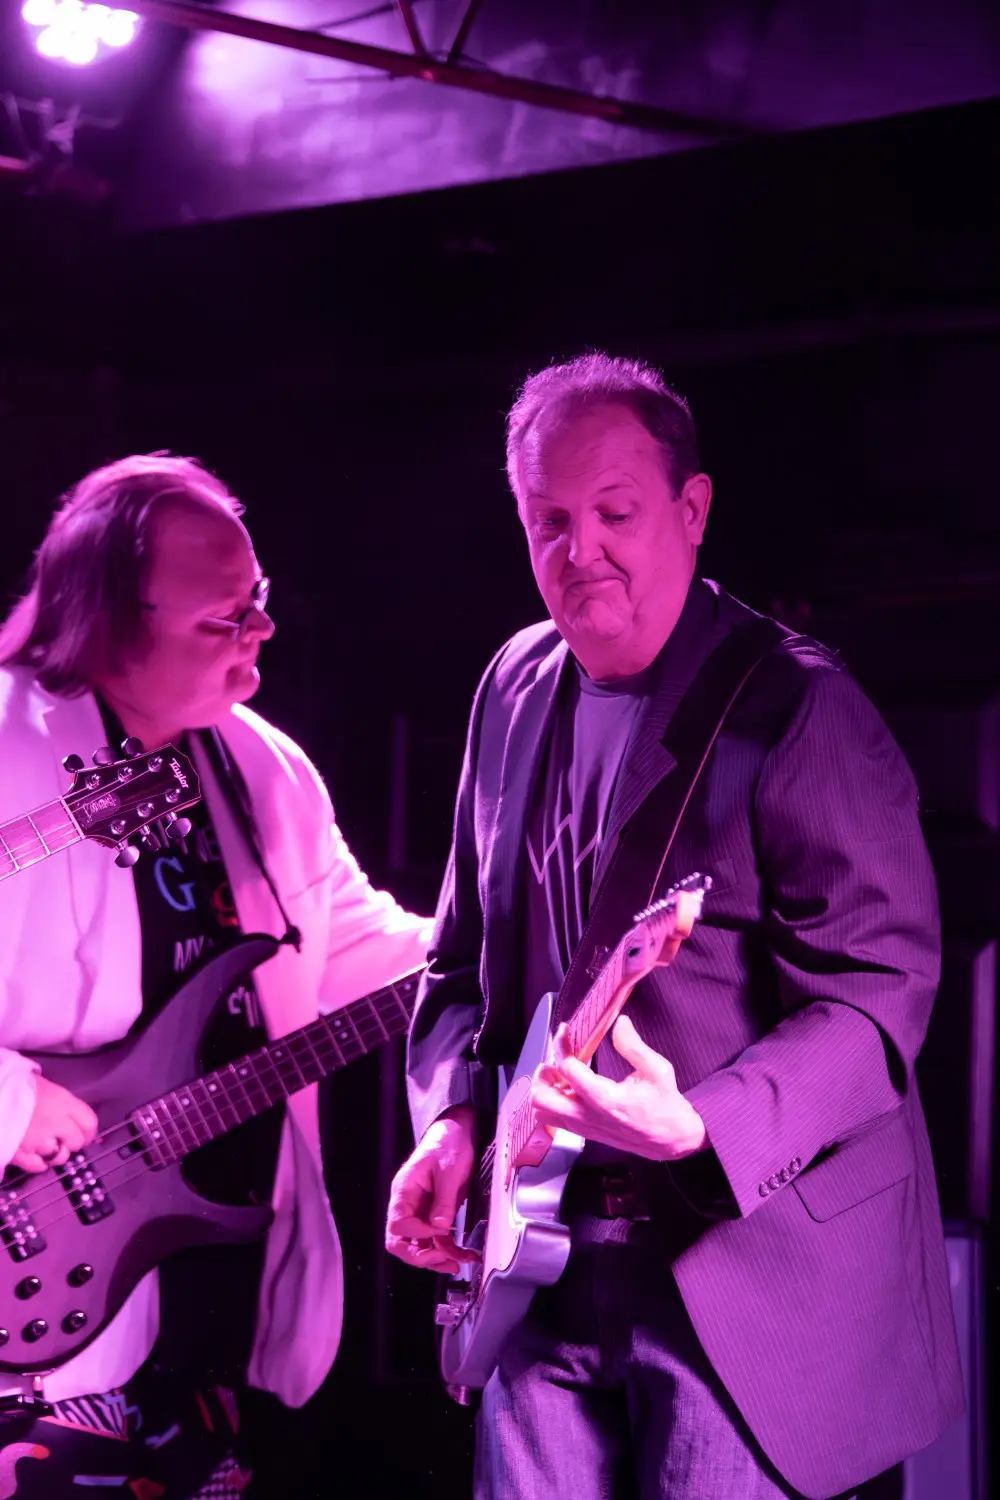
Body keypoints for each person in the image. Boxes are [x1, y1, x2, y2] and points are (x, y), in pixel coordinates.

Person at [385, 354, 964, 1500]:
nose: (579, 550)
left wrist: (703, 1123)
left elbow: (877, 995)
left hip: (743, 1277)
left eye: (615, 513)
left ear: (691, 511)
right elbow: (459, 963)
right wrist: (451, 1120)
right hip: (537, 1261)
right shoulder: (510, 686)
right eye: (549, 520)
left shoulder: (799, 705)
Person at [0, 454, 433, 1497]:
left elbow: (351, 947)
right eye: (224, 618)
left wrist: (511, 937)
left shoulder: (262, 767)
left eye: (259, 600)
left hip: (199, 1319)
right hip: (32, 1320)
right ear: (111, 624)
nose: (260, 632)